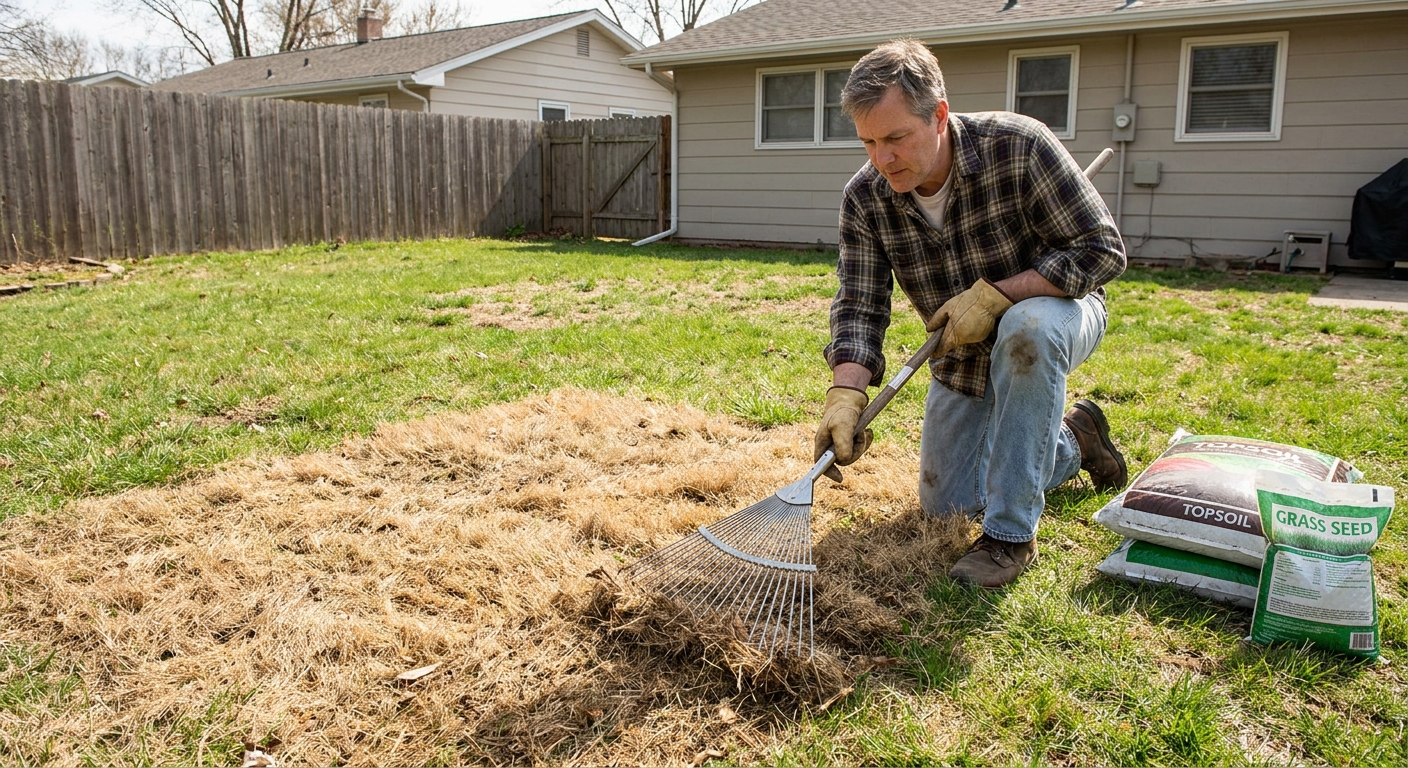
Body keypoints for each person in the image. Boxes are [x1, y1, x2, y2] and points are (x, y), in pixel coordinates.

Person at [813, 39, 1129, 589]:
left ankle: (1009, 539)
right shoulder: (866, 198)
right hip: (959, 353)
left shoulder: (1019, 146)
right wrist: (847, 394)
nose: (882, 158)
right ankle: (1077, 440)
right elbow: (861, 304)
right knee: (949, 507)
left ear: (938, 115)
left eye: (895, 138)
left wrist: (1000, 295)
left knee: (1025, 329)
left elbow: (1102, 251)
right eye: (868, 142)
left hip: (1058, 317)